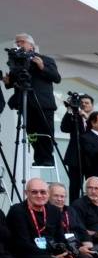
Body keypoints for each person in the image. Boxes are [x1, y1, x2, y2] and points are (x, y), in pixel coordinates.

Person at [2, 33, 60, 167]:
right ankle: (38, 157)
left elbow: (57, 78)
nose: (18, 44)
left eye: (21, 42)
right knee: (31, 133)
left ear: (31, 45)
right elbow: (14, 82)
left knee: (45, 131)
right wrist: (8, 82)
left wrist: (42, 67)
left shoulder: (46, 59)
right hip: (25, 103)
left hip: (43, 103)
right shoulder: (16, 62)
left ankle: (47, 157)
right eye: (17, 42)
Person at [59, 93, 93, 202]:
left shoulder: (95, 119)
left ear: (92, 106)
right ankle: (74, 210)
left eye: (87, 103)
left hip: (91, 158)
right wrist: (70, 110)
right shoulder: (74, 116)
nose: (84, 105)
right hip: (75, 157)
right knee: (74, 186)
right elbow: (64, 128)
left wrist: (87, 118)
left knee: (92, 186)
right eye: (81, 103)